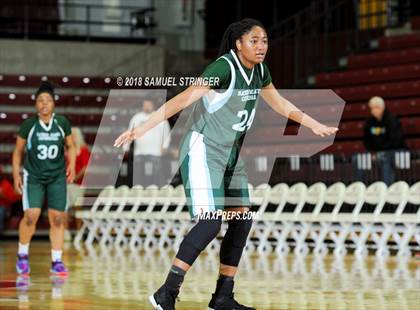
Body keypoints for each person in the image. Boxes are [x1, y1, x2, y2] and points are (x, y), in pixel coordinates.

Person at [114, 18, 337, 310]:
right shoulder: (223, 68)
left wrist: (312, 123)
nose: (261, 47)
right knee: (209, 222)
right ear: (238, 44)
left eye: (264, 41)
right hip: (203, 150)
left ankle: (222, 296)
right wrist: (140, 129)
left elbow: (280, 103)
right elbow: (182, 99)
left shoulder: (260, 71)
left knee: (242, 221)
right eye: (254, 41)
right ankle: (166, 292)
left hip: (230, 153)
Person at [12, 81, 76, 275]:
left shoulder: (62, 123)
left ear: (54, 103)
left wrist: (72, 164)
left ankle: (56, 259)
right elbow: (17, 151)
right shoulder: (29, 125)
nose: (44, 103)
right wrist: (16, 174)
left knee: (57, 219)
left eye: (48, 100)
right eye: (40, 100)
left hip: (56, 176)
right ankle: (22, 255)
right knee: (31, 215)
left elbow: (71, 146)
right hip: (34, 176)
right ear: (36, 105)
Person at [125, 98, 171, 186]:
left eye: (148, 105)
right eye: (145, 105)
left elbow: (166, 134)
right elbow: (130, 132)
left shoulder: (160, 117)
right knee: (138, 177)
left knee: (155, 176)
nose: (146, 107)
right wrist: (126, 147)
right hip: (139, 152)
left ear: (153, 106)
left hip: (155, 152)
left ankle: (156, 193)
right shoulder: (136, 118)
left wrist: (164, 147)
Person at [363, 96, 406, 185]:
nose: (373, 110)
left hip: (395, 151)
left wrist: (380, 152)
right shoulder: (369, 122)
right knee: (358, 159)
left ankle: (387, 188)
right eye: (371, 108)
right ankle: (360, 186)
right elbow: (366, 140)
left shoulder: (392, 119)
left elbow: (396, 140)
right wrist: (372, 152)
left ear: (382, 107)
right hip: (377, 152)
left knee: (385, 157)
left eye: (376, 107)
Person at [65, 127, 90, 238]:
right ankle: (66, 233)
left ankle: (79, 232)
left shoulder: (83, 150)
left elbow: (85, 168)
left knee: (77, 208)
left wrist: (75, 177)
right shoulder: (66, 150)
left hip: (78, 184)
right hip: (66, 184)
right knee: (64, 208)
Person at [0, 165, 21, 232]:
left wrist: (3, 196)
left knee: (1, 211)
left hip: (4, 207)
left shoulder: (5, 184)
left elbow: (12, 199)